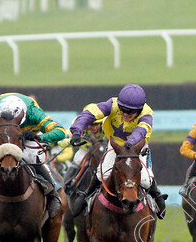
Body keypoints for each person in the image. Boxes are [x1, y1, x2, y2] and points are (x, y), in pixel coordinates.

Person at [0, 93, 68, 223]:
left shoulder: (33, 111)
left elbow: (60, 131)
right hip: (4, 137)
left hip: (27, 137)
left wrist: (40, 137)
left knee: (34, 159)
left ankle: (53, 195)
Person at [68, 84, 168, 218]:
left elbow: (141, 131)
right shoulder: (112, 104)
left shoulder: (147, 113)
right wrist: (77, 130)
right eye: (123, 110)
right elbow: (90, 113)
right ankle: (86, 195)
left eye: (130, 112)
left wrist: (129, 144)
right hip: (116, 146)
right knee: (100, 174)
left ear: (139, 110)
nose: (125, 114)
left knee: (145, 180)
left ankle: (156, 195)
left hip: (137, 148)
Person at [61, 114, 106, 192]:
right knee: (78, 159)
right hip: (85, 151)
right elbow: (61, 141)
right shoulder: (79, 126)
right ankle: (66, 184)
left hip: (101, 151)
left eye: (96, 125)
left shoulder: (106, 126)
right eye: (91, 125)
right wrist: (72, 141)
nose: (94, 128)